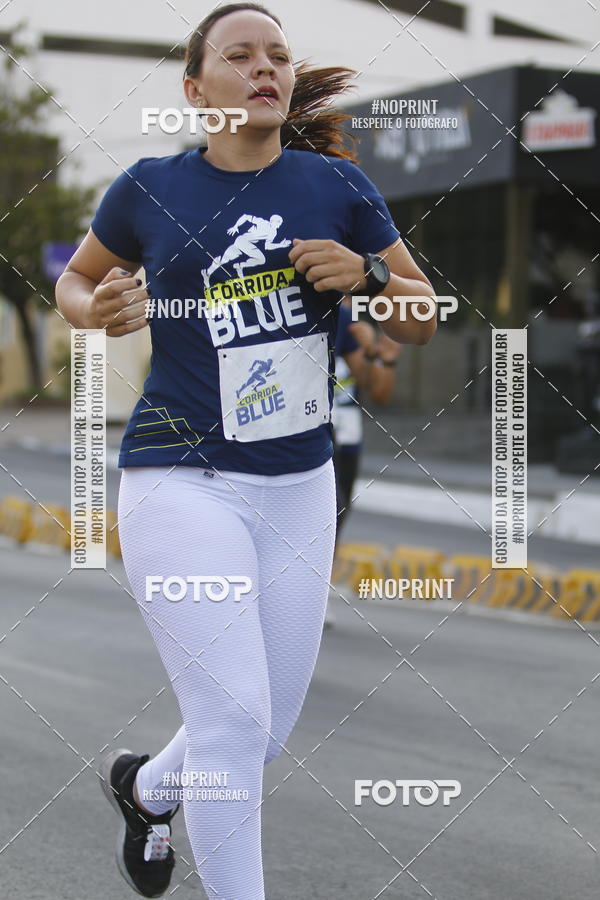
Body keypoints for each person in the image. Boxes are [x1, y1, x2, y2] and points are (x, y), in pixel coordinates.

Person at [55, 4, 436, 898]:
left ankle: (148, 789)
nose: (266, 68)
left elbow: (422, 315)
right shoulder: (148, 186)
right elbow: (76, 277)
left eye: (279, 56)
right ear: (197, 89)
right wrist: (91, 309)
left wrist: (372, 277)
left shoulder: (336, 188)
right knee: (230, 728)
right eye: (240, 56)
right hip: (178, 477)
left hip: (298, 486)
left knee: (262, 731)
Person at [324, 299, 402, 627]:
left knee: (336, 516)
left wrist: (378, 355)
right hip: (299, 436)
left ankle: (315, 591)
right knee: (325, 510)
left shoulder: (344, 320)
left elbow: (377, 391)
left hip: (345, 439)